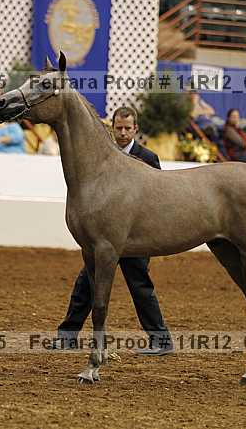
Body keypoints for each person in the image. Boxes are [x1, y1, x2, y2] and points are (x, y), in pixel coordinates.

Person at [55, 107, 173, 355]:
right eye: (118, 128)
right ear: (112, 128)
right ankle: (67, 336)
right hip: (104, 234)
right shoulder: (101, 157)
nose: (123, 133)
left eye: (127, 128)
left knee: (140, 286)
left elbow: (158, 196)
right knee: (85, 285)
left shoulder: (148, 157)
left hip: (136, 236)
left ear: (135, 129)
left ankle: (161, 341)